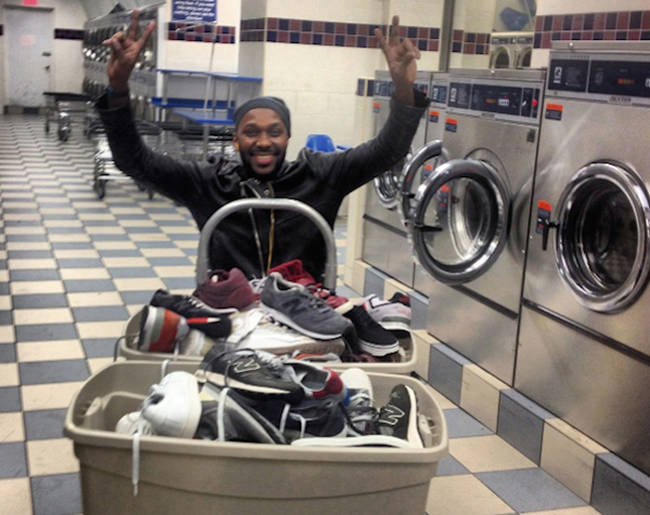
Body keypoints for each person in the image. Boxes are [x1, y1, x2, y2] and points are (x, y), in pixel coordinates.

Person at [98, 10, 429, 282]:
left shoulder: (320, 176)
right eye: (251, 132)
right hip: (231, 310)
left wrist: (402, 89)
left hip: (305, 311)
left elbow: (388, 151)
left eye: (275, 132)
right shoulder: (208, 182)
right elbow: (133, 161)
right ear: (236, 140)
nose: (264, 141)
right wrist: (118, 88)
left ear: (288, 138)